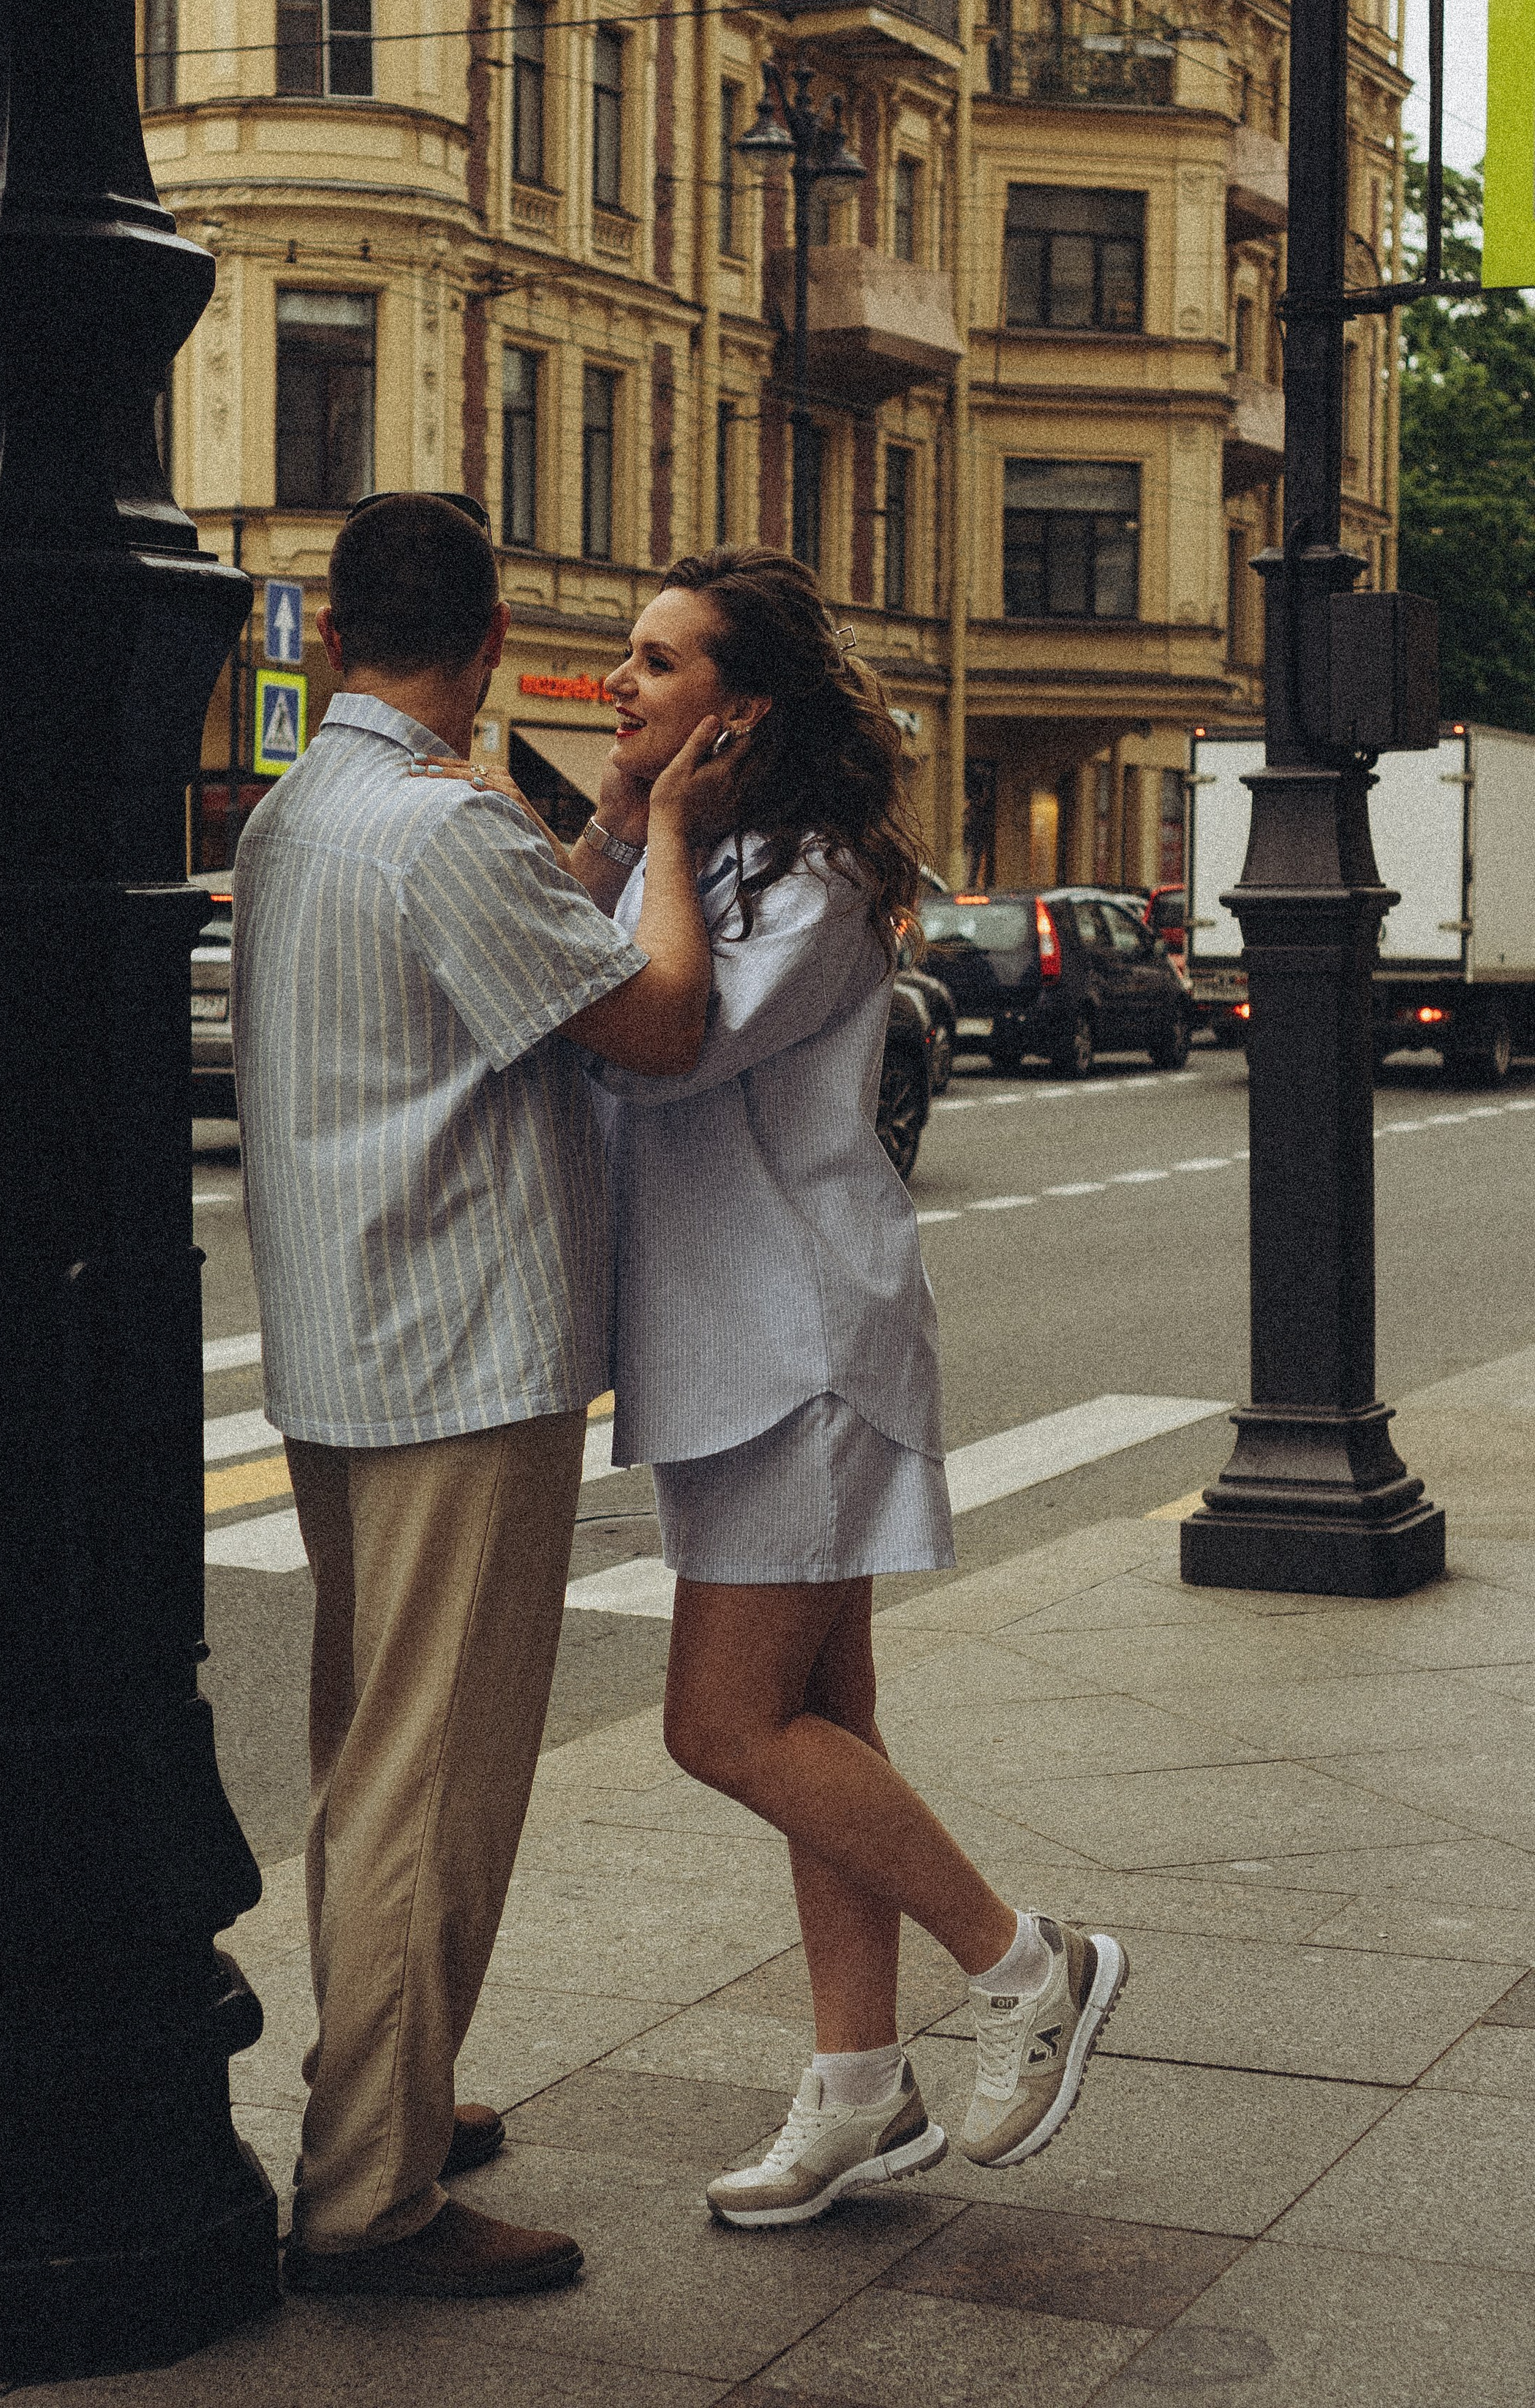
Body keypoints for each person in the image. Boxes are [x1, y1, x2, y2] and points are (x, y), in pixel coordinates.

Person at [578, 549, 1128, 2230]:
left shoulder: (800, 875)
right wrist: (624, 817)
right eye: (624, 653)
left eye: (657, 663)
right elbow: (565, 951)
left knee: (722, 1727)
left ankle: (1028, 1962)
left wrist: (658, 837)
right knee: (826, 1726)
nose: (620, 680)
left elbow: (657, 1037)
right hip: (724, 1340)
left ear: (737, 710)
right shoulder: (713, 851)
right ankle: (856, 2093)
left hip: (794, 1343)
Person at [231, 493, 728, 2299]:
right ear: (493, 636)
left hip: (347, 1348)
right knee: (426, 1781)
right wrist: (666, 826)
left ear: (336, 634)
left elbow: (515, 962)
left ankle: (394, 2093)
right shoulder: (442, 826)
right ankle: (371, 2192)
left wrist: (589, 831)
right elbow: (654, 1018)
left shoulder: (304, 813)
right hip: (455, 1351)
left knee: (370, 1754)